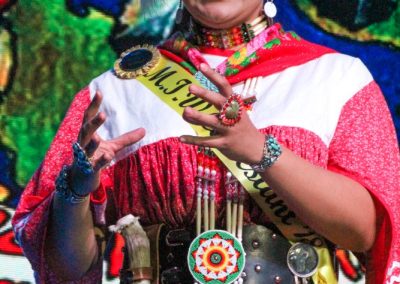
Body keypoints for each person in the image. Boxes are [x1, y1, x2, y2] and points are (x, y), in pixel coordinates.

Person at [12, 0, 400, 283]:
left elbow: (363, 232)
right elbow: (64, 271)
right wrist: (76, 193)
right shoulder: (112, 91)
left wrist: (259, 150)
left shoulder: (336, 77)